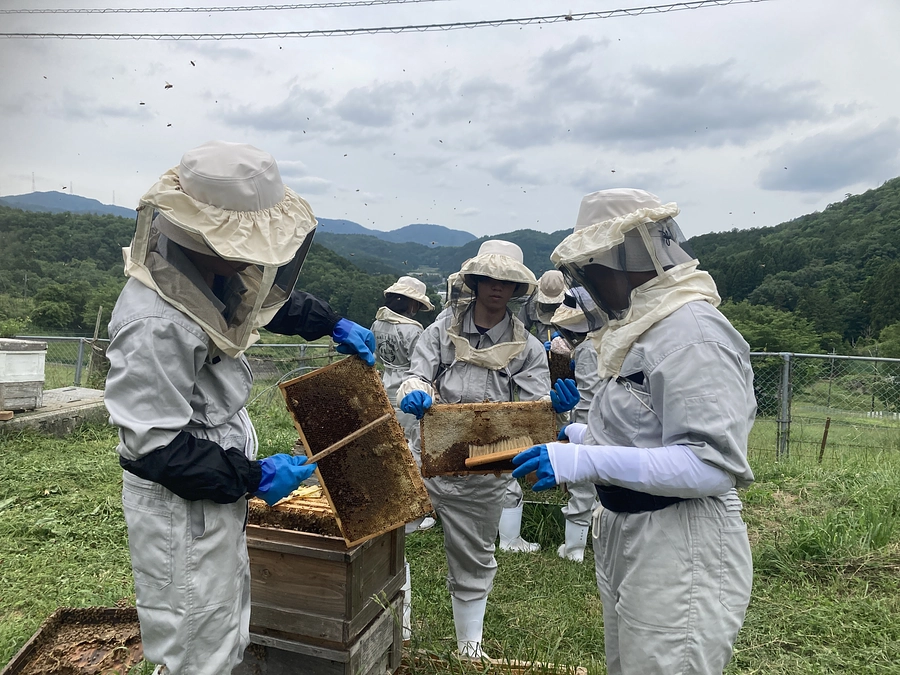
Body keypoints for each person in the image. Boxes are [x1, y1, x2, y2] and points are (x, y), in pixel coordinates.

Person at [104, 141, 376, 675]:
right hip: (182, 508)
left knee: (225, 629)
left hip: (212, 494)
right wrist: (251, 476)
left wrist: (330, 322)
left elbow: (263, 301)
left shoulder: (211, 270)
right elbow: (154, 448)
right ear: (207, 234)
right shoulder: (153, 322)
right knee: (193, 649)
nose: (260, 253)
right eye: (250, 240)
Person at [513, 189, 755, 675]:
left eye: (590, 264)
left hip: (679, 539)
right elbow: (650, 430)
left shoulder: (692, 332)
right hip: (627, 528)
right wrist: (580, 439)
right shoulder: (646, 326)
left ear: (620, 258)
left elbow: (710, 467)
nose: (588, 280)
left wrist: (585, 461)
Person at [395, 240, 579, 658]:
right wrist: (416, 391)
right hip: (426, 455)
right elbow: (416, 373)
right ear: (474, 282)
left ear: (517, 290)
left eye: (508, 281)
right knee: (388, 542)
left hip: (484, 467)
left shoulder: (530, 349)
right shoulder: (440, 329)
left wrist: (556, 408)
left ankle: (469, 648)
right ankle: (397, 633)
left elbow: (533, 408)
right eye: (490, 279)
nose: (497, 288)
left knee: (475, 555)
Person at [370, 275, 436, 641]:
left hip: (384, 387)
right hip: (410, 392)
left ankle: (394, 505)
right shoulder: (416, 331)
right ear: (412, 304)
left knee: (388, 450)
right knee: (412, 449)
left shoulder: (377, 321)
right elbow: (423, 368)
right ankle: (410, 510)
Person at [549, 289, 600, 563]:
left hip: (587, 422)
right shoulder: (611, 343)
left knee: (582, 486)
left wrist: (571, 426)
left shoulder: (588, 349)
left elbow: (586, 396)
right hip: (613, 425)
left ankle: (574, 549)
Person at [518, 269, 567, 342]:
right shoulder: (530, 303)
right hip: (539, 348)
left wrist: (569, 334)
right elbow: (520, 330)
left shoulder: (574, 302)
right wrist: (534, 345)